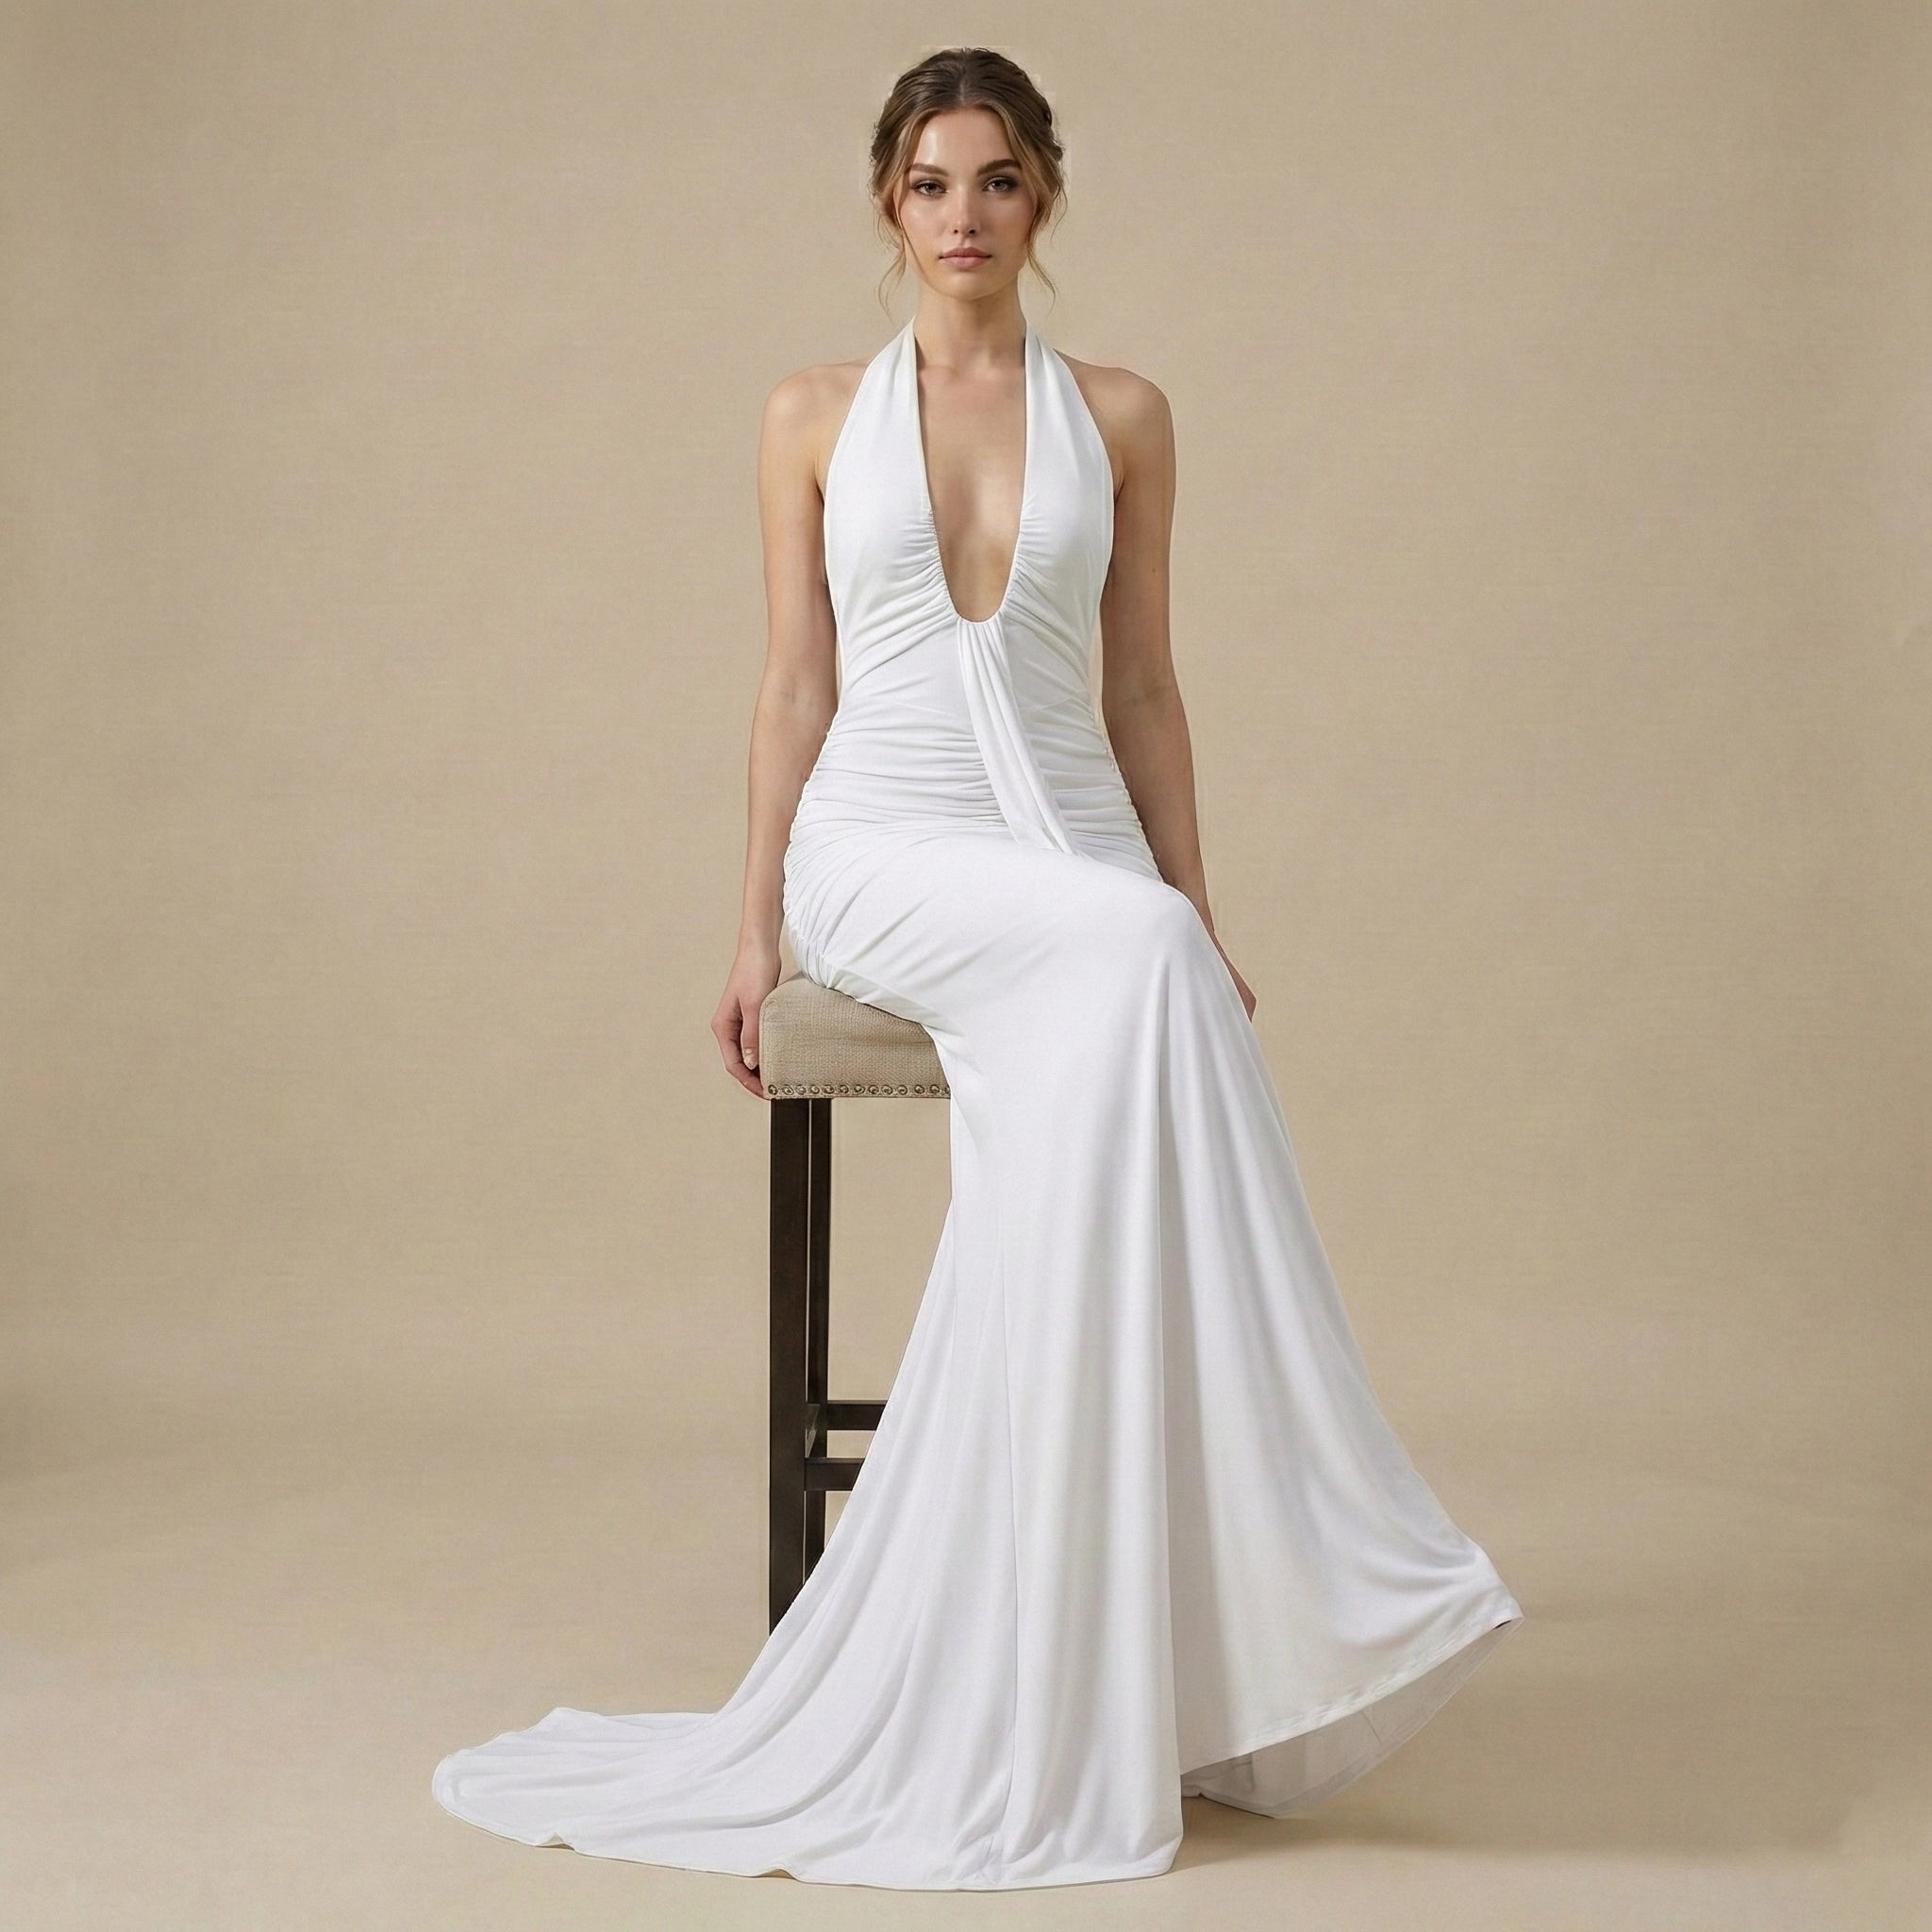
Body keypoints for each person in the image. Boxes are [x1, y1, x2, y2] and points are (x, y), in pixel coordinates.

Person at [432, 45, 1524, 1890]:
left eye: (997, 181)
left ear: (1044, 200)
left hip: (1075, 859)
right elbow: (795, 685)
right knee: (1138, 961)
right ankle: (1290, 1567)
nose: (963, 216)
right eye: (931, 183)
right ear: (886, 204)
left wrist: (1197, 903)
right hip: (883, 850)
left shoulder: (1127, 413)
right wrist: (754, 920)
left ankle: (1118, 1643)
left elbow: (1144, 686)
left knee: (1146, 977)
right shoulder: (802, 415)